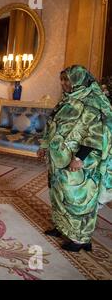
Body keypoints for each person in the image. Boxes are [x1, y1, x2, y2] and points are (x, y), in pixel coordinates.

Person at [37, 65, 112, 252]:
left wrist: (79, 158)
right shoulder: (68, 99)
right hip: (59, 160)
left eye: (67, 80)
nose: (63, 83)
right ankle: (63, 227)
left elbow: (95, 133)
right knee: (59, 194)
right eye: (62, 80)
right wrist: (45, 146)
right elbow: (53, 123)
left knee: (78, 199)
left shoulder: (92, 101)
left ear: (78, 80)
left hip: (81, 162)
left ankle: (81, 239)